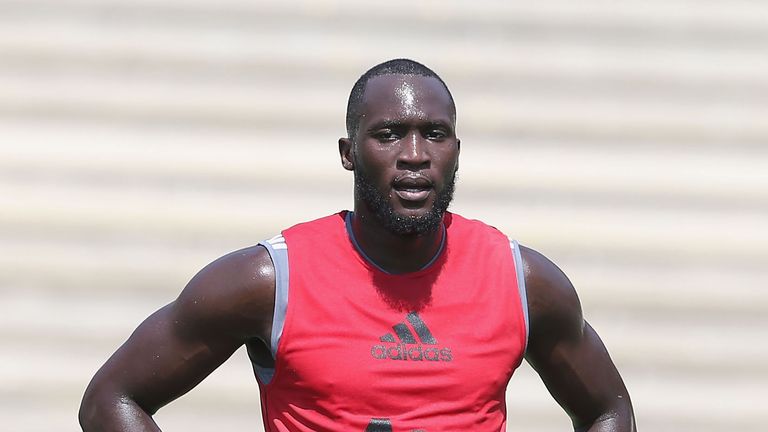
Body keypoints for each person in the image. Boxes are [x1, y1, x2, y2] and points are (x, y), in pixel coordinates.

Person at [80, 59, 635, 432]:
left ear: (457, 152)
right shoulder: (268, 281)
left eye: (434, 135)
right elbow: (112, 400)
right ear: (348, 152)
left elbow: (608, 409)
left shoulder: (523, 282)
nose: (414, 154)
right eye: (389, 134)